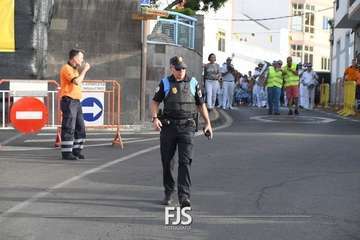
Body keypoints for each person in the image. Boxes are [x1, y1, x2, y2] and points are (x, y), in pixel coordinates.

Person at [150, 56, 213, 208]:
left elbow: (200, 104)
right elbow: (155, 102)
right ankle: (168, 192)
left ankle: (184, 196)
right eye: (178, 69)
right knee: (167, 162)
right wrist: (154, 118)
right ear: (171, 68)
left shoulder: (193, 82)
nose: (181, 71)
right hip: (169, 127)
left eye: (183, 68)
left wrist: (208, 123)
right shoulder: (165, 82)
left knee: (185, 162)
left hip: (187, 127)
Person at [60, 49, 91, 160]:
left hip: (76, 101)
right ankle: (66, 153)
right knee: (69, 127)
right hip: (69, 101)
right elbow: (76, 81)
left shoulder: (75, 69)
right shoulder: (66, 68)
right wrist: (85, 70)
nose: (82, 60)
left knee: (80, 127)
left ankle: (76, 151)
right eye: (81, 57)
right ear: (74, 58)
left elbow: (78, 80)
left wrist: (82, 70)